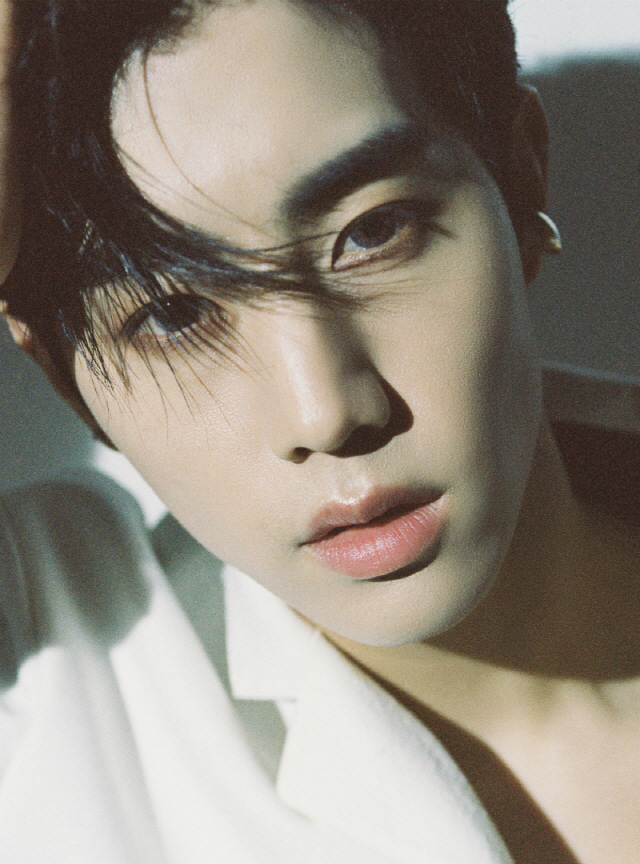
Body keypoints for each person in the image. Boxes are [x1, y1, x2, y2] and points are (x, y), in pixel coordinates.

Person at [0, 1, 639, 862]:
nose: (327, 413)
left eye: (372, 233)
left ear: (521, 179)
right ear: (62, 377)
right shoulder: (56, 682)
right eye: (172, 314)